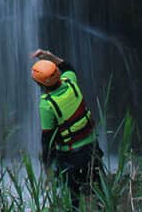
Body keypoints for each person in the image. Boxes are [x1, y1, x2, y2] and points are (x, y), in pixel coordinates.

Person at [31, 48, 103, 210]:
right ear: (58, 73)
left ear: (39, 84)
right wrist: (51, 56)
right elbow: (68, 67)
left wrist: (47, 168)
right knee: (98, 187)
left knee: (73, 197)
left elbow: (47, 140)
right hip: (92, 148)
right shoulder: (71, 81)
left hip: (71, 156)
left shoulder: (47, 105)